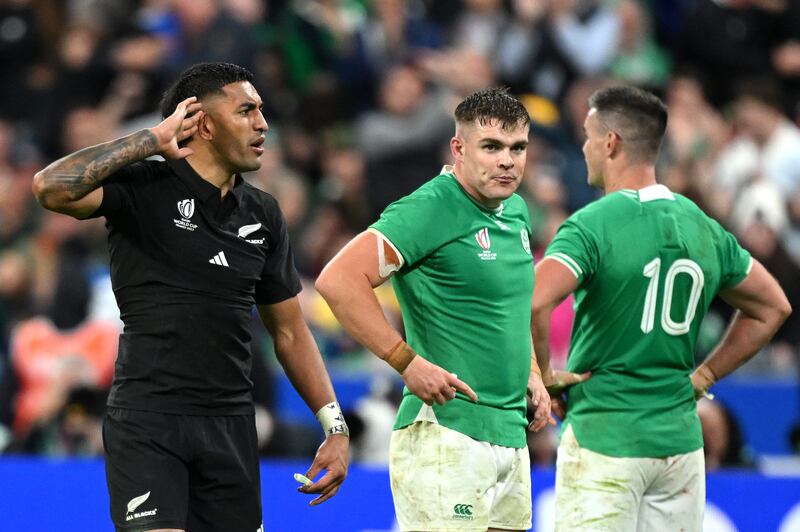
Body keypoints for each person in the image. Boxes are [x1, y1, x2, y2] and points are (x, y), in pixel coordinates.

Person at [32, 62, 349, 532]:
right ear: (202, 122)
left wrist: (335, 427)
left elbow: (289, 330)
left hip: (231, 427)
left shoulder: (263, 213)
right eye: (246, 111)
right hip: (148, 421)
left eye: (261, 111)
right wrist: (149, 141)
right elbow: (49, 188)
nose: (262, 124)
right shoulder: (144, 187)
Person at [531, 85, 792, 531]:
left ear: (610, 142)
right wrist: (705, 375)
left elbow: (535, 301)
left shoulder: (593, 223)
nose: (583, 146)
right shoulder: (702, 225)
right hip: (679, 442)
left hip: (604, 432)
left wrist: (544, 378)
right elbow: (773, 306)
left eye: (588, 135)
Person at [316, 87, 553, 532]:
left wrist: (533, 373)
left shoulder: (516, 210)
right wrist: (405, 362)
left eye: (518, 148)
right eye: (492, 147)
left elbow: (508, 306)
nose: (508, 160)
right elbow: (338, 281)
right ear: (458, 149)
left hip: (509, 435)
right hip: (447, 435)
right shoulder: (428, 208)